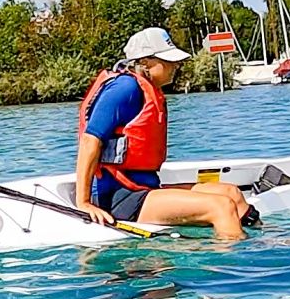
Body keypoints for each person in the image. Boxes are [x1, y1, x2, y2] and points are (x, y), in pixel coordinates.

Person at [73, 26, 252, 240]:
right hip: (120, 197)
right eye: (168, 61)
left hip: (144, 188)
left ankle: (267, 240)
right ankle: (240, 266)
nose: (175, 66)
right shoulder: (125, 88)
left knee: (231, 193)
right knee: (221, 206)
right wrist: (83, 202)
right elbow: (89, 141)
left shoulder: (146, 88)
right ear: (145, 63)